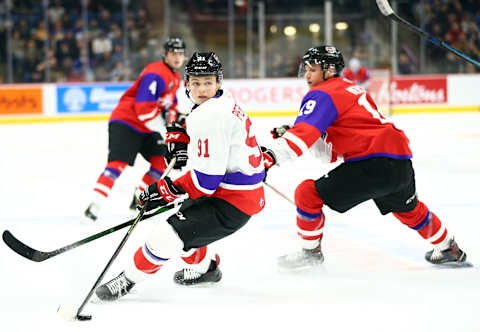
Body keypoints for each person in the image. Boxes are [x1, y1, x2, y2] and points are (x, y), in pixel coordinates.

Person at [261, 45, 468, 269]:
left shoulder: (322, 94)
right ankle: (448, 247)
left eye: (312, 69)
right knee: (409, 210)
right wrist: (297, 132)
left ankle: (310, 254)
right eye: (306, 69)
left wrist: (269, 157)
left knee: (307, 193)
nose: (307, 75)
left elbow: (303, 136)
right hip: (398, 158)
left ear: (329, 70)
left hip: (372, 162)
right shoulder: (350, 88)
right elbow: (329, 153)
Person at [95, 51, 266, 300]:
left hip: (231, 202)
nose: (202, 89)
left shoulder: (212, 114)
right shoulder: (221, 101)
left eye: (208, 82)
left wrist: (163, 190)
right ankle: (206, 269)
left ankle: (127, 280)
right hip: (232, 192)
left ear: (218, 82)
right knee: (185, 236)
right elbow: (203, 140)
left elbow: (205, 182)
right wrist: (182, 137)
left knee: (166, 235)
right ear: (187, 83)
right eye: (196, 82)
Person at [83, 37, 186, 222]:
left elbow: (171, 107)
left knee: (161, 161)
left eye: (181, 53)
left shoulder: (176, 78)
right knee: (117, 165)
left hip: (148, 127)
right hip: (127, 122)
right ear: (165, 54)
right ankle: (94, 206)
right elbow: (144, 109)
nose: (177, 57)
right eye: (173, 53)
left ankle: (138, 200)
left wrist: (177, 121)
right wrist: (166, 131)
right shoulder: (156, 72)